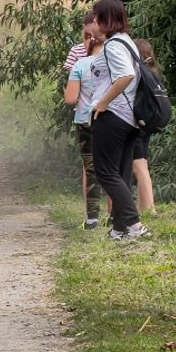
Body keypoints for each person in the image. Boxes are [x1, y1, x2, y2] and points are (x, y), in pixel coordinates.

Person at [88, 0, 150, 240]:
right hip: (129, 118)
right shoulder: (126, 42)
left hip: (113, 115)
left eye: (96, 16)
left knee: (105, 172)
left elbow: (125, 76)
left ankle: (134, 225)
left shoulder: (114, 45)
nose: (93, 21)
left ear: (106, 18)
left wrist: (102, 103)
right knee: (120, 172)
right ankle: (119, 228)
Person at [64, 12, 103, 229]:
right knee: (112, 166)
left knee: (90, 167)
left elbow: (70, 98)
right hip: (111, 118)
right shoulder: (115, 60)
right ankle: (117, 213)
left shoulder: (80, 64)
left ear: (88, 38)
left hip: (85, 119)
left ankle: (92, 218)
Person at [132, 38, 159, 216]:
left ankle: (150, 209)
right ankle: (143, 207)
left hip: (137, 122)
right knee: (142, 163)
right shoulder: (153, 73)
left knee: (138, 165)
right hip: (148, 122)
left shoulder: (138, 73)